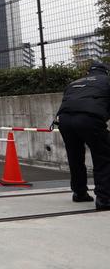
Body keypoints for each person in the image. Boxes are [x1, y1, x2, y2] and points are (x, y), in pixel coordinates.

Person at [55, 61, 110, 210]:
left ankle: (79, 193)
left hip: (64, 120)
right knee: (103, 158)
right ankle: (104, 199)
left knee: (75, 157)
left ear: (89, 72)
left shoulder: (74, 83)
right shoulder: (106, 81)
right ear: (105, 71)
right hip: (89, 119)